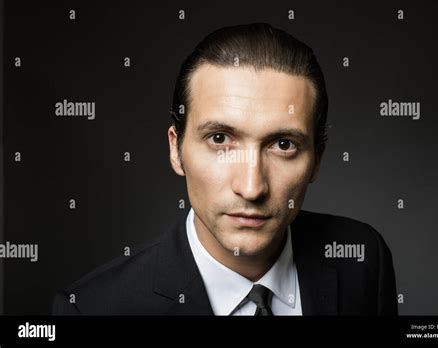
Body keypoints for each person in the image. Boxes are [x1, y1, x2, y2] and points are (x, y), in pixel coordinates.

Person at [52, 23, 398, 316]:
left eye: (283, 144)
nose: (251, 187)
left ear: (317, 160)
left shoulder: (364, 257)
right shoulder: (92, 309)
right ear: (176, 149)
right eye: (220, 139)